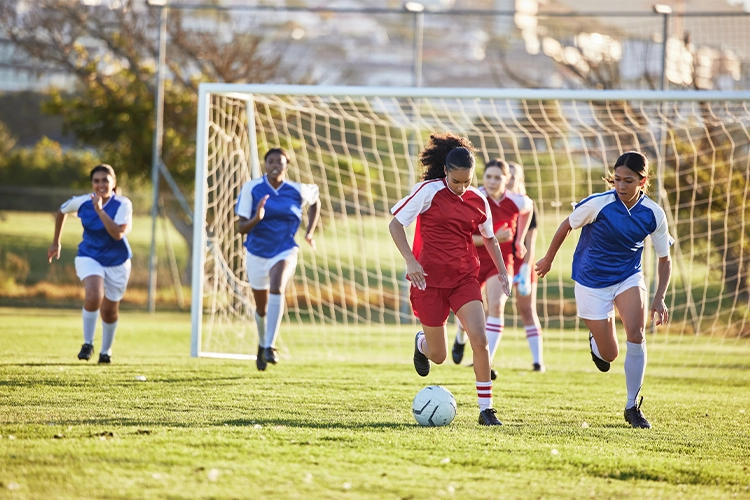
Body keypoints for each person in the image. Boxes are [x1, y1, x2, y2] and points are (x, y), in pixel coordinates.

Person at [535, 151, 673, 429]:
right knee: (609, 354)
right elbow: (566, 225)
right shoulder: (599, 204)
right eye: (617, 180)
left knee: (636, 333)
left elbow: (664, 259)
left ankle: (632, 406)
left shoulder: (654, 214)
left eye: (628, 180)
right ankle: (597, 341)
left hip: (628, 277)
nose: (621, 186)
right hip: (590, 281)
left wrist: (659, 297)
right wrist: (548, 258)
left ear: (643, 181)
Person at [389, 133, 511, 426]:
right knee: (440, 355)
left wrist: (503, 272)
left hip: (463, 279)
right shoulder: (427, 191)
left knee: (479, 339)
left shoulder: (478, 200)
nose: (462, 187)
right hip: (428, 281)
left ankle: (486, 409)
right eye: (456, 181)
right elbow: (395, 225)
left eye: (467, 182)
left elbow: (490, 239)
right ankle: (421, 344)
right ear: (445, 171)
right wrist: (411, 259)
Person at [236, 147, 320, 371]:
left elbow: (315, 200)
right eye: (271, 161)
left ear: (286, 166)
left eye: (279, 162)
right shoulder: (251, 188)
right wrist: (257, 217)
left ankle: (270, 346)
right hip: (256, 252)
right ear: (265, 164)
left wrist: (309, 232)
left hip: (285, 249)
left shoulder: (296, 189)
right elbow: (241, 227)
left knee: (277, 286)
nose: (275, 165)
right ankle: (262, 344)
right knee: (261, 308)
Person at [450, 159, 533, 379]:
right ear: (483, 178)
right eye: (489, 177)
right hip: (472, 260)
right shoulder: (472, 197)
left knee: (496, 305)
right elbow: (462, 236)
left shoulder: (516, 200)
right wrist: (494, 237)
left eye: (498, 177)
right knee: (468, 313)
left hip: (501, 261)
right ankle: (460, 335)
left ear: (507, 180)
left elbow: (529, 208)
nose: (493, 181)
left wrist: (519, 240)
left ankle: (487, 361)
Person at [48, 164, 133, 364]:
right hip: (89, 256)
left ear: (113, 183)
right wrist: (55, 243)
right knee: (94, 295)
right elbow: (61, 212)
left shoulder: (123, 204)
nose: (101, 184)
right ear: (92, 183)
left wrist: (100, 210)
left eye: (105, 180)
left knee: (110, 311)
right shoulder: (82, 202)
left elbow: (117, 233)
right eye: (97, 180)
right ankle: (88, 343)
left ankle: (106, 352)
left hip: (117, 261)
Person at [506, 161, 546, 373]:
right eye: (507, 175)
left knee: (527, 310)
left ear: (519, 179)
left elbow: (531, 243)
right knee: (489, 308)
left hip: (522, 263)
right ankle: (484, 356)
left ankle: (538, 361)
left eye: (514, 176)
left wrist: (524, 269)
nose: (510, 179)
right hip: (500, 262)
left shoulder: (527, 205)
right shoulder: (494, 202)